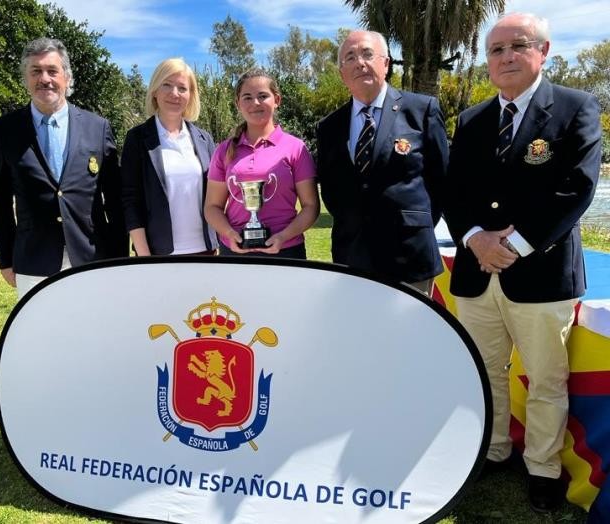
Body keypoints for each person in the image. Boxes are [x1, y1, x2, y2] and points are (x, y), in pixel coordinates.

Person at [444, 12, 601, 513]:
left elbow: (576, 189)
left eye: (518, 45)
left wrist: (513, 246)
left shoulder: (576, 108)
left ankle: (543, 467)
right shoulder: (471, 120)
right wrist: (473, 237)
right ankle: (491, 451)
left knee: (545, 379)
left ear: (544, 50)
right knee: (482, 369)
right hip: (476, 273)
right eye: (496, 50)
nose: (506, 56)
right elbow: (455, 192)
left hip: (541, 272)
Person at [0, 37, 127, 300]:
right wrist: (6, 259)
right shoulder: (6, 130)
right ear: (26, 78)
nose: (45, 78)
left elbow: (115, 201)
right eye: (36, 71)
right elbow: (0, 202)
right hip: (33, 261)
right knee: (41, 337)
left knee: (93, 333)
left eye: (52, 71)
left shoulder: (97, 128)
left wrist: (119, 256)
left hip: (92, 257)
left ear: (66, 76)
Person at [316, 30, 448, 294]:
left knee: (413, 335)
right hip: (352, 256)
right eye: (349, 58)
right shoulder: (328, 127)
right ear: (342, 73)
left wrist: (412, 222)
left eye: (367, 54)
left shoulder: (422, 111)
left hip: (409, 255)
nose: (359, 63)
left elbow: (442, 180)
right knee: (361, 334)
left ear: (386, 63)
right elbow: (331, 190)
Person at [204, 68, 319, 259]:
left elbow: (310, 206)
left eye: (263, 96)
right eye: (247, 97)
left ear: (277, 100)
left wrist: (283, 237)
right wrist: (230, 234)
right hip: (234, 252)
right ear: (238, 104)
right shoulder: (223, 151)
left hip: (286, 251)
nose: (255, 103)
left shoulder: (296, 148)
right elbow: (212, 207)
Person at [120, 58, 218, 256]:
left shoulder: (204, 139)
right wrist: (144, 255)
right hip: (158, 255)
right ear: (155, 91)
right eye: (167, 85)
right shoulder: (137, 138)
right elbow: (130, 200)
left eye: (182, 88)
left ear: (191, 95)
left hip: (205, 251)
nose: (175, 94)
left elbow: (217, 197)